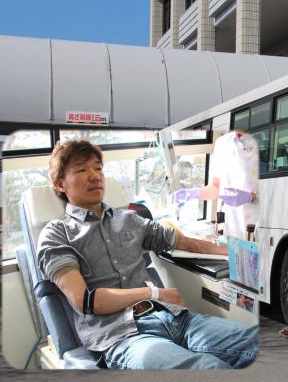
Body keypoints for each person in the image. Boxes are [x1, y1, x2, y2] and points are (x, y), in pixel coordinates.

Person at [37, 139, 258, 369]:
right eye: (82, 169)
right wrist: (154, 292)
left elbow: (187, 243)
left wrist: (241, 256)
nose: (95, 175)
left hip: (177, 319)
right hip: (123, 337)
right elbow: (85, 301)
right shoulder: (56, 233)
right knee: (208, 368)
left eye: (98, 168)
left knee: (257, 343)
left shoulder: (130, 219)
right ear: (60, 183)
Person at [171, 130, 259, 240]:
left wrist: (251, 196)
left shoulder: (260, 140)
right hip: (228, 228)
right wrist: (190, 194)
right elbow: (216, 188)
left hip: (254, 225)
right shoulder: (222, 143)